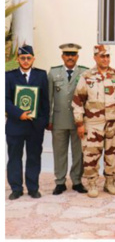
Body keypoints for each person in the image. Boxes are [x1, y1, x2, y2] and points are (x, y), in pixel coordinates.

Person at [72, 45, 115, 198]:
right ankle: (92, 183)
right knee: (91, 155)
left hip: (113, 123)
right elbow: (78, 101)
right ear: (95, 57)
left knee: (113, 154)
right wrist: (79, 123)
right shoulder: (87, 76)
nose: (105, 59)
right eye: (102, 56)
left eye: (107, 56)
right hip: (92, 123)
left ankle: (110, 182)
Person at [6, 44, 50, 200]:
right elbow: (5, 100)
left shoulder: (41, 75)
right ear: (18, 59)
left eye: (28, 58)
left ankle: (33, 188)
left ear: (33, 59)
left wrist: (44, 121)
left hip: (35, 126)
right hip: (15, 125)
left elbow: (45, 101)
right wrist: (19, 114)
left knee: (33, 157)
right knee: (14, 158)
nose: (25, 61)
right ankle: (16, 188)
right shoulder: (8, 76)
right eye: (22, 58)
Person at [47, 43, 88, 195]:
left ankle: (77, 181)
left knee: (78, 153)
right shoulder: (53, 73)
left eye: (73, 54)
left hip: (78, 122)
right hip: (59, 120)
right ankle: (60, 182)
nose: (70, 57)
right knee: (59, 152)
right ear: (62, 56)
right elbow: (49, 98)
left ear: (77, 56)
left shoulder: (85, 73)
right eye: (67, 54)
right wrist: (49, 119)